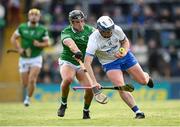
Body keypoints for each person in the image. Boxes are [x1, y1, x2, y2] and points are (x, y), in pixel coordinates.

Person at [84, 16, 154, 119]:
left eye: (110, 30)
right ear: (99, 29)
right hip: (110, 63)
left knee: (143, 81)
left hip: (126, 57)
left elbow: (125, 42)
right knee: (121, 87)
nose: (110, 33)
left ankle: (146, 76)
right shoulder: (93, 40)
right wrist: (94, 82)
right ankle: (137, 111)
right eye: (106, 31)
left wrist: (124, 51)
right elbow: (87, 63)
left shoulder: (116, 29)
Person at [57, 10, 108, 119]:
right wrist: (76, 51)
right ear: (71, 22)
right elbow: (70, 43)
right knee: (67, 79)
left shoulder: (91, 30)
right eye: (76, 22)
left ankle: (86, 111)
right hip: (68, 61)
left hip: (83, 64)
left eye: (81, 21)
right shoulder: (66, 32)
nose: (80, 24)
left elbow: (101, 38)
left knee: (89, 88)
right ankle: (63, 104)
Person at [10, 8, 50, 106]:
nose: (33, 16)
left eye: (36, 15)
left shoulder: (42, 29)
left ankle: (27, 99)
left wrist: (39, 44)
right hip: (24, 58)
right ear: (28, 16)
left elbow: (47, 43)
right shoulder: (22, 27)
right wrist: (19, 48)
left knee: (32, 79)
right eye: (32, 14)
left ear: (39, 17)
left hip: (36, 57)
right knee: (24, 83)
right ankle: (27, 94)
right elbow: (13, 38)